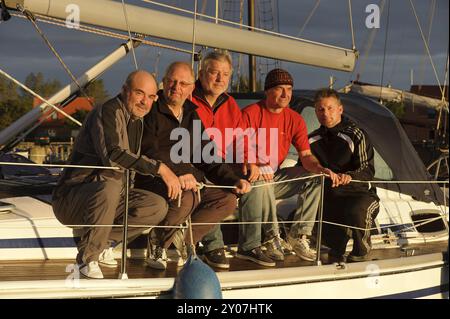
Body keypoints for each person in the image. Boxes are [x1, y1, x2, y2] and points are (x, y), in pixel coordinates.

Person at [52, 70, 169, 279]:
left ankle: (105, 242)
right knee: (111, 184)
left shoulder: (137, 120)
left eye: (151, 97)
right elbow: (113, 156)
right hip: (72, 197)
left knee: (156, 206)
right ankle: (87, 259)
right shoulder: (107, 111)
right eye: (139, 93)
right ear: (125, 90)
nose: (145, 102)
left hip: (111, 197)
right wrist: (159, 168)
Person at [135, 61, 251, 270]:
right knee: (185, 196)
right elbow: (149, 150)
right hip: (153, 177)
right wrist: (179, 174)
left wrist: (233, 180)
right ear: (164, 82)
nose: (176, 87)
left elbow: (207, 155)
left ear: (190, 88)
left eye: (183, 83)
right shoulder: (151, 111)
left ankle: (182, 240)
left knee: (226, 199)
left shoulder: (190, 113)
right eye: (172, 81)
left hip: (186, 180)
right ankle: (158, 242)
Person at [237, 68, 340, 267]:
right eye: (280, 89)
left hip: (272, 178)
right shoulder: (250, 114)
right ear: (267, 91)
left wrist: (320, 169)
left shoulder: (294, 119)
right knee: (262, 176)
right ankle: (271, 237)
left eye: (289, 89)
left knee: (314, 177)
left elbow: (306, 155)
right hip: (248, 179)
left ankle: (298, 235)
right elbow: (239, 151)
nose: (286, 94)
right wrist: (257, 165)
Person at [191, 50, 259, 269]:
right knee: (215, 184)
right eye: (214, 73)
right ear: (201, 74)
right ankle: (212, 245)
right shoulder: (188, 98)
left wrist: (248, 160)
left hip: (221, 162)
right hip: (194, 162)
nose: (220, 79)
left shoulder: (229, 103)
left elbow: (240, 137)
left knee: (255, 180)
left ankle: (252, 244)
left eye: (226, 74)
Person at [308, 88, 380, 263]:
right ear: (316, 112)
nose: (325, 113)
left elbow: (367, 170)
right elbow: (304, 166)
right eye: (320, 110)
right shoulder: (311, 139)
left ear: (340, 109)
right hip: (330, 197)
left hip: (359, 194)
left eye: (330, 108)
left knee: (356, 211)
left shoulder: (356, 135)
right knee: (334, 251)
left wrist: (349, 176)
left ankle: (362, 248)